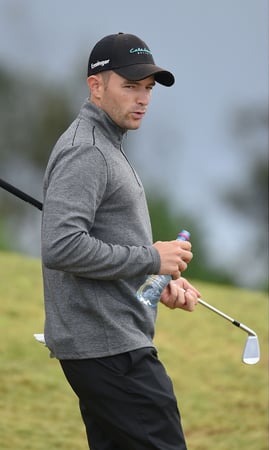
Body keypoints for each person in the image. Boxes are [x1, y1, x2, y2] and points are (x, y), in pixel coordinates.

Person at [41, 32, 200, 449]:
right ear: (96, 85)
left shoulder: (106, 145)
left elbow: (104, 241)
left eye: (147, 88)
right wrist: (150, 258)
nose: (143, 98)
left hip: (106, 346)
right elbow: (61, 246)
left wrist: (156, 278)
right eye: (130, 86)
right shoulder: (88, 150)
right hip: (110, 349)